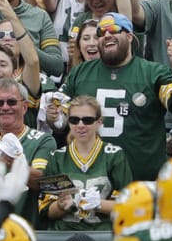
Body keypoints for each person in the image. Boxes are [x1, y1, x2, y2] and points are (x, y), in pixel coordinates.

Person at [61, 12, 172, 181]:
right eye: (101, 33)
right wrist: (53, 113)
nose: (107, 35)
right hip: (91, 182)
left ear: (130, 36)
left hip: (141, 185)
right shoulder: (80, 72)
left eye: (114, 30)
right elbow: (60, 118)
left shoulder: (152, 72)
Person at [33, 95, 133, 231]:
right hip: (64, 233)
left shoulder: (114, 155)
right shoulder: (57, 157)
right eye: (74, 120)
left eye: (87, 120)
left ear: (99, 122)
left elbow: (127, 206)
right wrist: (61, 206)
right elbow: (46, 210)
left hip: (102, 233)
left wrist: (98, 204)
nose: (80, 125)